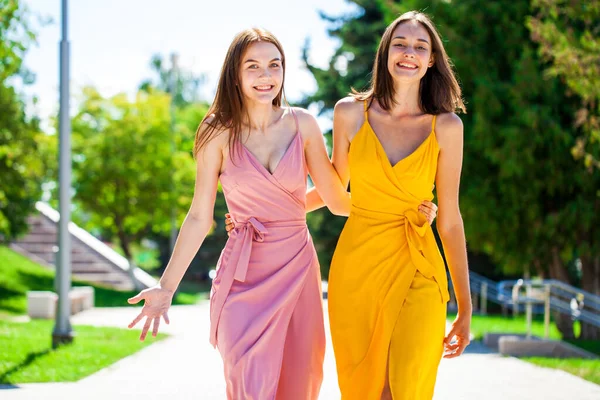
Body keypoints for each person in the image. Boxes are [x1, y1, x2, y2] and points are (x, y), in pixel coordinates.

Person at [128, 27, 438, 400]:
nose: (266, 76)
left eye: (274, 66)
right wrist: (166, 287)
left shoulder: (302, 124)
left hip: (297, 269)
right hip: (243, 275)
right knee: (249, 381)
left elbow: (337, 199)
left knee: (300, 381)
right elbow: (198, 217)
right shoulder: (215, 132)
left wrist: (406, 207)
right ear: (235, 74)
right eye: (254, 67)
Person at [326, 11, 472, 399]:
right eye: (400, 44)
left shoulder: (447, 127)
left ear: (432, 61)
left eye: (420, 47)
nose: (409, 53)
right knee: (365, 389)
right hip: (357, 267)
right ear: (385, 53)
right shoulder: (349, 114)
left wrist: (465, 306)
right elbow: (334, 192)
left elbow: (452, 221)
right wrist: (267, 207)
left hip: (419, 264)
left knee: (406, 386)